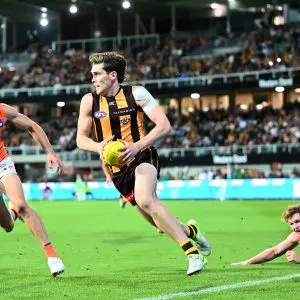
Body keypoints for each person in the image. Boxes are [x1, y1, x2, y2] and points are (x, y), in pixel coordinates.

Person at [76, 51, 211, 275]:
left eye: (96, 74)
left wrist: (136, 146)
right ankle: (191, 231)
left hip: (142, 155)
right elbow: (81, 139)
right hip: (117, 169)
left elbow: (163, 125)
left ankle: (192, 254)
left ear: (112, 75)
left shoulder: (137, 94)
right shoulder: (89, 101)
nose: (92, 79)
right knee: (158, 223)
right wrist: (98, 147)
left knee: (146, 199)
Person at [0, 104, 65, 276]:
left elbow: (32, 126)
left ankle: (52, 256)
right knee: (7, 225)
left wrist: (49, 151)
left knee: (21, 204)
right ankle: (12, 213)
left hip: (1, 164)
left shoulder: (2, 109)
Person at [231, 204, 300, 265]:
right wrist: (247, 262)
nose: (295, 226)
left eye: (297, 221)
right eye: (291, 224)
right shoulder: (296, 235)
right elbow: (275, 251)